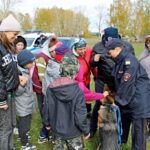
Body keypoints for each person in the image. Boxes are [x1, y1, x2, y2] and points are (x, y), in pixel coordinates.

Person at [104, 38, 150, 150]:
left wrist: (116, 101)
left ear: (118, 49)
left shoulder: (130, 62)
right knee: (124, 129)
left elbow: (126, 85)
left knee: (138, 137)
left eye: (109, 52)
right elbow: (116, 80)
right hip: (129, 100)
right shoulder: (119, 62)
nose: (108, 54)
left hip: (139, 103)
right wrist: (109, 89)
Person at [90, 27, 134, 140]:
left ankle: (123, 136)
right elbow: (92, 64)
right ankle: (92, 130)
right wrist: (94, 59)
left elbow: (132, 63)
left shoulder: (127, 46)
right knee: (99, 105)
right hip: (102, 80)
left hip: (119, 81)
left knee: (123, 106)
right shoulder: (98, 46)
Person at [44, 53, 90, 150]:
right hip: (74, 133)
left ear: (61, 69)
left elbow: (46, 108)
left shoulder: (51, 88)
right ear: (75, 72)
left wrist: (47, 123)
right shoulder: (78, 91)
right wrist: (86, 130)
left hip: (57, 131)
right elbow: (80, 115)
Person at [0, 14, 27, 150]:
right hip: (3, 97)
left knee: (11, 126)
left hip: (10, 93)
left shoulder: (8, 47)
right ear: (4, 31)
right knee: (4, 130)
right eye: (14, 34)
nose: (15, 38)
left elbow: (11, 67)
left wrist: (19, 75)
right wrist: (1, 100)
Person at [32, 36, 60, 143]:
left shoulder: (51, 56)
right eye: (54, 51)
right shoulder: (41, 57)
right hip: (42, 89)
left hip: (50, 88)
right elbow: (41, 77)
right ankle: (43, 135)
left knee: (51, 111)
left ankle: (51, 133)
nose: (56, 53)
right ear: (51, 50)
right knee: (45, 111)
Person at [15, 50, 36, 150]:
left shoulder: (26, 70)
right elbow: (17, 92)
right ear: (24, 63)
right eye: (31, 62)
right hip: (23, 106)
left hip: (27, 103)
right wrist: (22, 85)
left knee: (25, 124)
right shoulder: (19, 74)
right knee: (24, 125)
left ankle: (22, 136)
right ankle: (25, 145)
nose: (33, 64)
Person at [72, 38, 96, 117]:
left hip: (86, 80)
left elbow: (92, 65)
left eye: (84, 48)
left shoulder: (89, 51)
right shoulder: (71, 57)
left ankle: (88, 111)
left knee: (88, 97)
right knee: (79, 99)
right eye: (80, 49)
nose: (83, 51)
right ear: (75, 48)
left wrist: (96, 76)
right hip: (76, 83)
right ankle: (78, 114)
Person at [139, 35, 150, 140]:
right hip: (145, 85)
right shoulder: (144, 54)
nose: (149, 44)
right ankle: (145, 130)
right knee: (146, 108)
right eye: (148, 43)